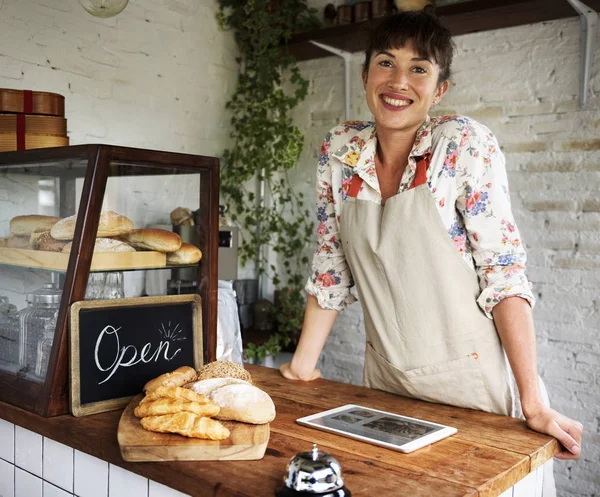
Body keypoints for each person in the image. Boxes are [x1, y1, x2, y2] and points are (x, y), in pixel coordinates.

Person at [279, 11, 582, 496]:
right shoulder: (340, 150)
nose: (399, 81)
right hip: (386, 388)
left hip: (474, 392)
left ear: (440, 89)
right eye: (386, 62)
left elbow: (503, 275)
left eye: (419, 68)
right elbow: (331, 265)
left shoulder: (462, 145)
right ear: (365, 75)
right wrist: (302, 367)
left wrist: (534, 404)